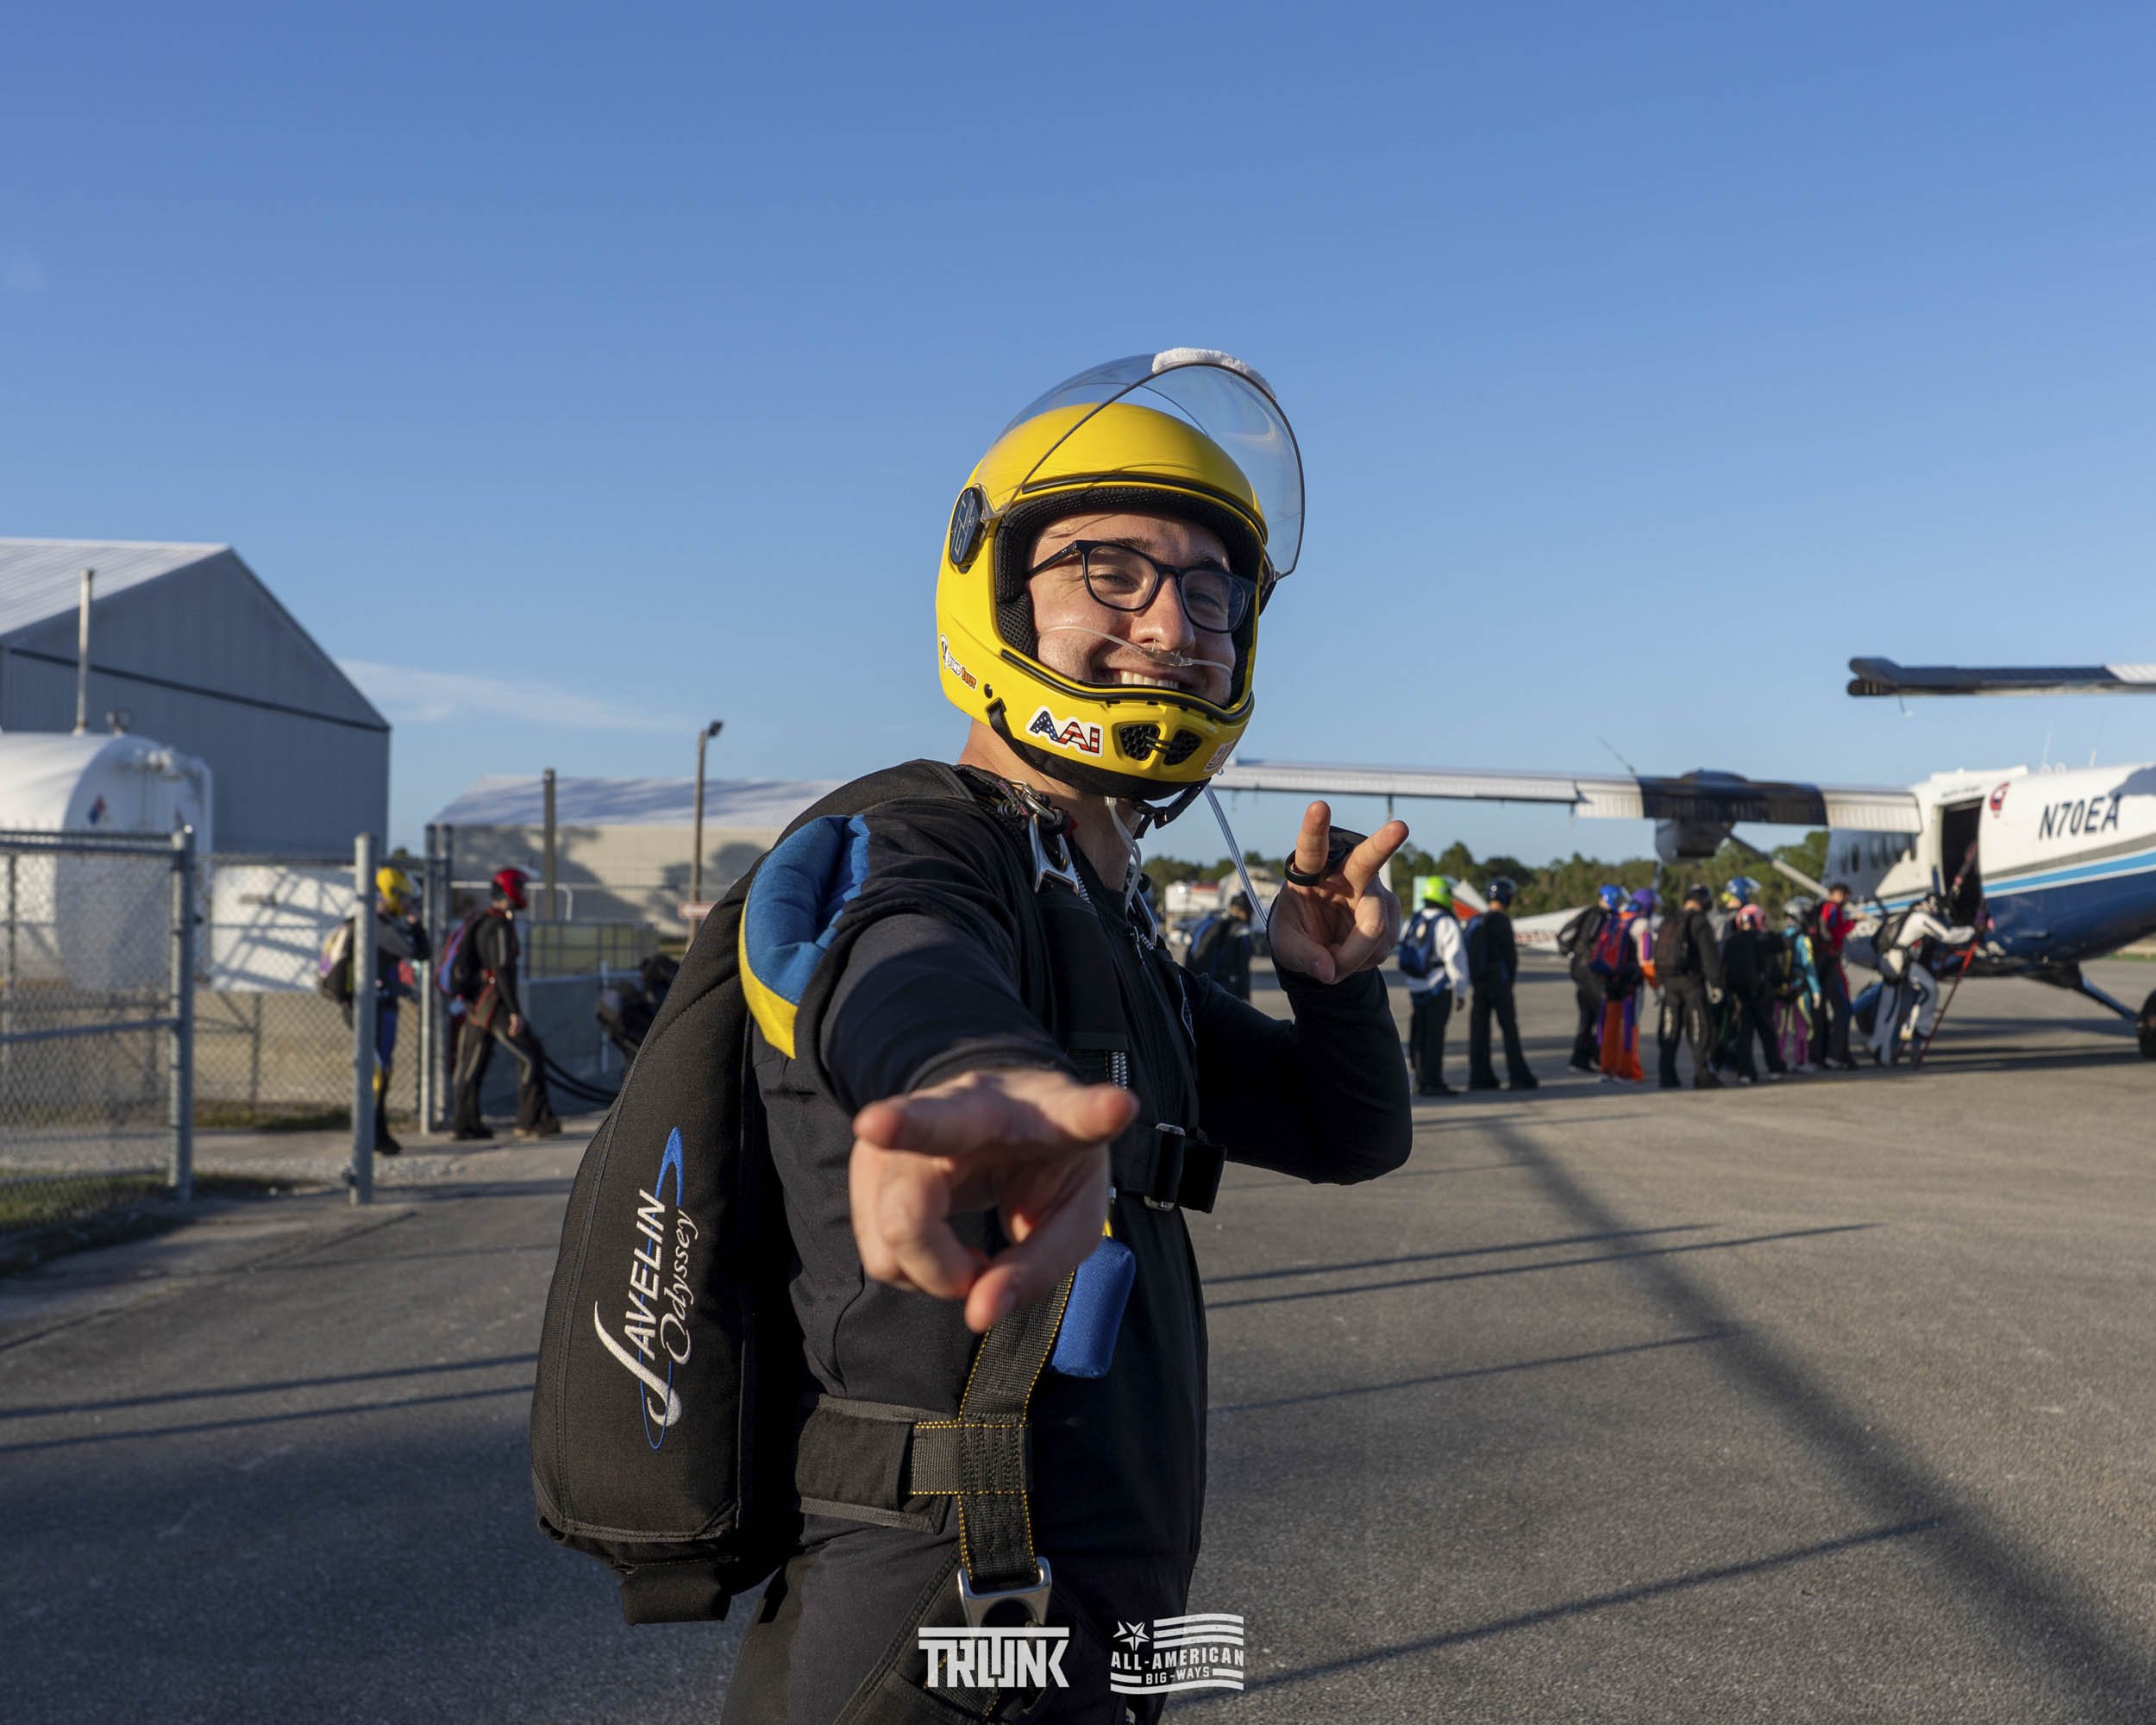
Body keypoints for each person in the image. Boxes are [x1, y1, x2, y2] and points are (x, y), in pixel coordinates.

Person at [718, 351, 1412, 1724]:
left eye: (1210, 589)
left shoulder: (1101, 912)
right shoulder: (915, 838)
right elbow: (898, 961)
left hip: (1100, 1588)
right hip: (958, 1596)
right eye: (1114, 570)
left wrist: (1331, 985)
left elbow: (1350, 1139)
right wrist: (971, 1084)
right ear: (994, 585)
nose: (1172, 624)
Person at [448, 867, 562, 1141]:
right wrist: (514, 1012)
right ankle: (530, 1120)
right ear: (510, 891)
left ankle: (466, 1124)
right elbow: (502, 970)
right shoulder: (499, 926)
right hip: (494, 1004)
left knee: (473, 1064)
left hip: (478, 1005)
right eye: (520, 889)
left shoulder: (481, 920)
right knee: (530, 1056)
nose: (523, 895)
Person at [342, 864, 429, 1155]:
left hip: (382, 1006)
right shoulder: (376, 925)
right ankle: (369, 1137)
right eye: (402, 896)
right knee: (376, 1073)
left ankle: (377, 1135)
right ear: (388, 894)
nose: (406, 903)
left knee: (382, 1071)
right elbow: (416, 951)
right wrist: (416, 925)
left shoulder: (381, 923)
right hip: (371, 1010)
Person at [1869, 890, 1977, 1064]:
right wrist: (1971, 930)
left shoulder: (1902, 915)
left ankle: (1878, 1045)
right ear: (1932, 904)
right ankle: (1920, 1029)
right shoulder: (1920, 918)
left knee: (1888, 1007)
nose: (1937, 913)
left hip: (1886, 959)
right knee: (1929, 991)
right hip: (1900, 960)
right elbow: (1946, 936)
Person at [1466, 876, 1538, 1091]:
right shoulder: (1502, 921)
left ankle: (1480, 1077)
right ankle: (1518, 1076)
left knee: (1479, 1031)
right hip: (1499, 982)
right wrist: (1511, 981)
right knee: (1509, 1029)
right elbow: (1510, 955)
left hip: (1479, 984)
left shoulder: (1475, 921)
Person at [1401, 876, 1470, 1095]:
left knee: (1419, 1033)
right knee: (1435, 1036)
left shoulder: (1415, 919)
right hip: (1438, 987)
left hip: (1416, 987)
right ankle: (1434, 1081)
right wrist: (1460, 991)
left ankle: (1419, 1077)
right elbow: (1455, 959)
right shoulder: (1446, 922)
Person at [1655, 883, 1726, 1089]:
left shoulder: (1669, 920)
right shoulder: (1699, 922)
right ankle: (1702, 1075)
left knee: (1669, 1030)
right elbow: (1709, 957)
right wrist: (1716, 984)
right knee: (1699, 1029)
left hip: (1669, 983)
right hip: (1692, 984)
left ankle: (1666, 1075)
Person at [1594, 888, 1657, 1082]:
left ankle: (1606, 1067)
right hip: (1630, 983)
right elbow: (1645, 958)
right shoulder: (1641, 924)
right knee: (1630, 1026)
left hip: (1610, 980)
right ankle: (1628, 1070)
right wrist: (1655, 985)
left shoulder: (1615, 919)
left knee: (1609, 1025)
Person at [1719, 904, 1787, 1082]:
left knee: (1744, 1035)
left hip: (1739, 994)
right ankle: (1774, 1067)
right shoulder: (1762, 940)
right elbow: (1781, 945)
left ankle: (1745, 1072)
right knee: (1767, 1032)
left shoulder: (1731, 941)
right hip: (1760, 992)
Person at [1560, 884, 1622, 1073]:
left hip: (1582, 971)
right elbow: (1591, 940)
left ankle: (1581, 1059)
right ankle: (1598, 1056)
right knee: (1603, 1012)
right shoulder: (1599, 916)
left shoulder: (1590, 913)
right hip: (1589, 971)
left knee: (1588, 1017)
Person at [1814, 881, 1860, 1069]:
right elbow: (1835, 933)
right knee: (1843, 1009)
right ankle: (1836, 1054)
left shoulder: (1821, 909)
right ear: (1840, 895)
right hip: (1832, 963)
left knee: (1824, 1011)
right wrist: (1854, 922)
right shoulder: (1832, 909)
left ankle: (1825, 1052)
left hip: (1821, 965)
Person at [1776, 899, 1824, 1072]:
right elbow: (1809, 967)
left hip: (1780, 989)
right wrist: (1816, 990)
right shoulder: (1803, 940)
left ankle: (1778, 1061)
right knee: (1802, 1027)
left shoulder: (1779, 937)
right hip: (1800, 987)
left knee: (1780, 1029)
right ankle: (1801, 1061)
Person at [1187, 890, 1256, 1000]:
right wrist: (1245, 995)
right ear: (1247, 911)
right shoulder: (1241, 930)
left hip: (1206, 987)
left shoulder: (1213, 924)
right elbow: (1243, 966)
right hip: (1228, 989)